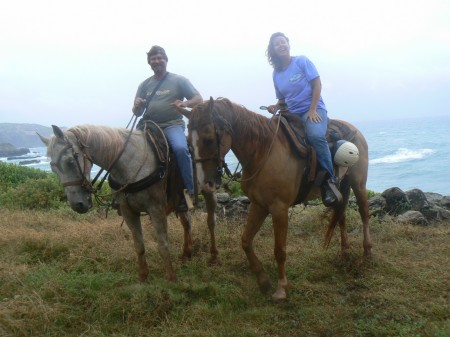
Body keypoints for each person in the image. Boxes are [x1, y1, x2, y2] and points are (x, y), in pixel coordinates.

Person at [266, 32, 342, 206]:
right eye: (277, 44)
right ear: (273, 50)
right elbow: (283, 99)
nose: (281, 45)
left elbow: (317, 84)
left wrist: (313, 109)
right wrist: (276, 106)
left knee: (315, 136)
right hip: (292, 114)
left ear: (288, 44)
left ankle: (330, 180)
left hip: (314, 110)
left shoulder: (301, 61)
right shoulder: (276, 74)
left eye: (283, 42)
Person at [132, 45, 203, 211]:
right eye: (153, 59)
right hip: (149, 126)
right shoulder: (144, 85)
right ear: (149, 62)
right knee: (129, 149)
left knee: (180, 149)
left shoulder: (179, 80)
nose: (157, 61)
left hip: (172, 124)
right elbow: (137, 113)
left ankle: (188, 191)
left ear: (165, 60)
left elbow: (198, 99)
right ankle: (128, 191)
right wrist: (136, 105)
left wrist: (184, 103)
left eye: (160, 58)